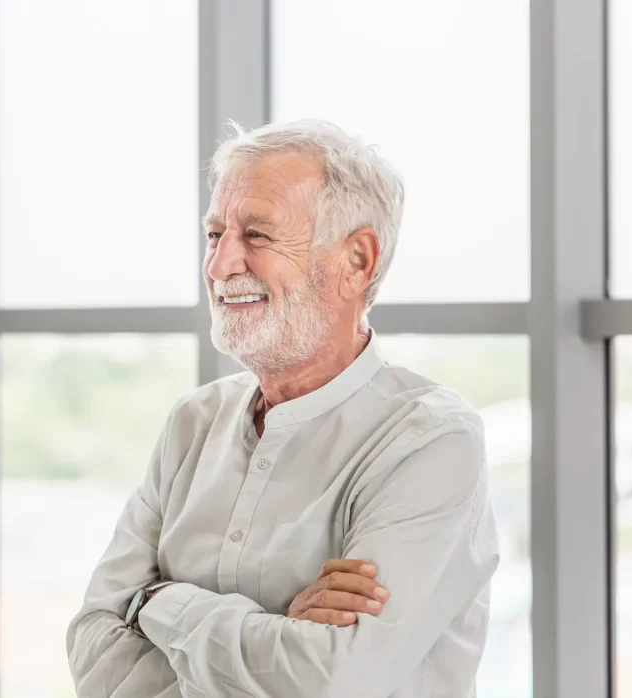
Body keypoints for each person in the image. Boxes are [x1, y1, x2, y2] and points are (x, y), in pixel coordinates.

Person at [66, 120, 499, 697]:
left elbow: (330, 680)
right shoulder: (192, 424)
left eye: (257, 235)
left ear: (357, 260)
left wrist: (156, 601)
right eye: (214, 235)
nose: (221, 265)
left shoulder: (430, 442)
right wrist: (277, 636)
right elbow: (92, 647)